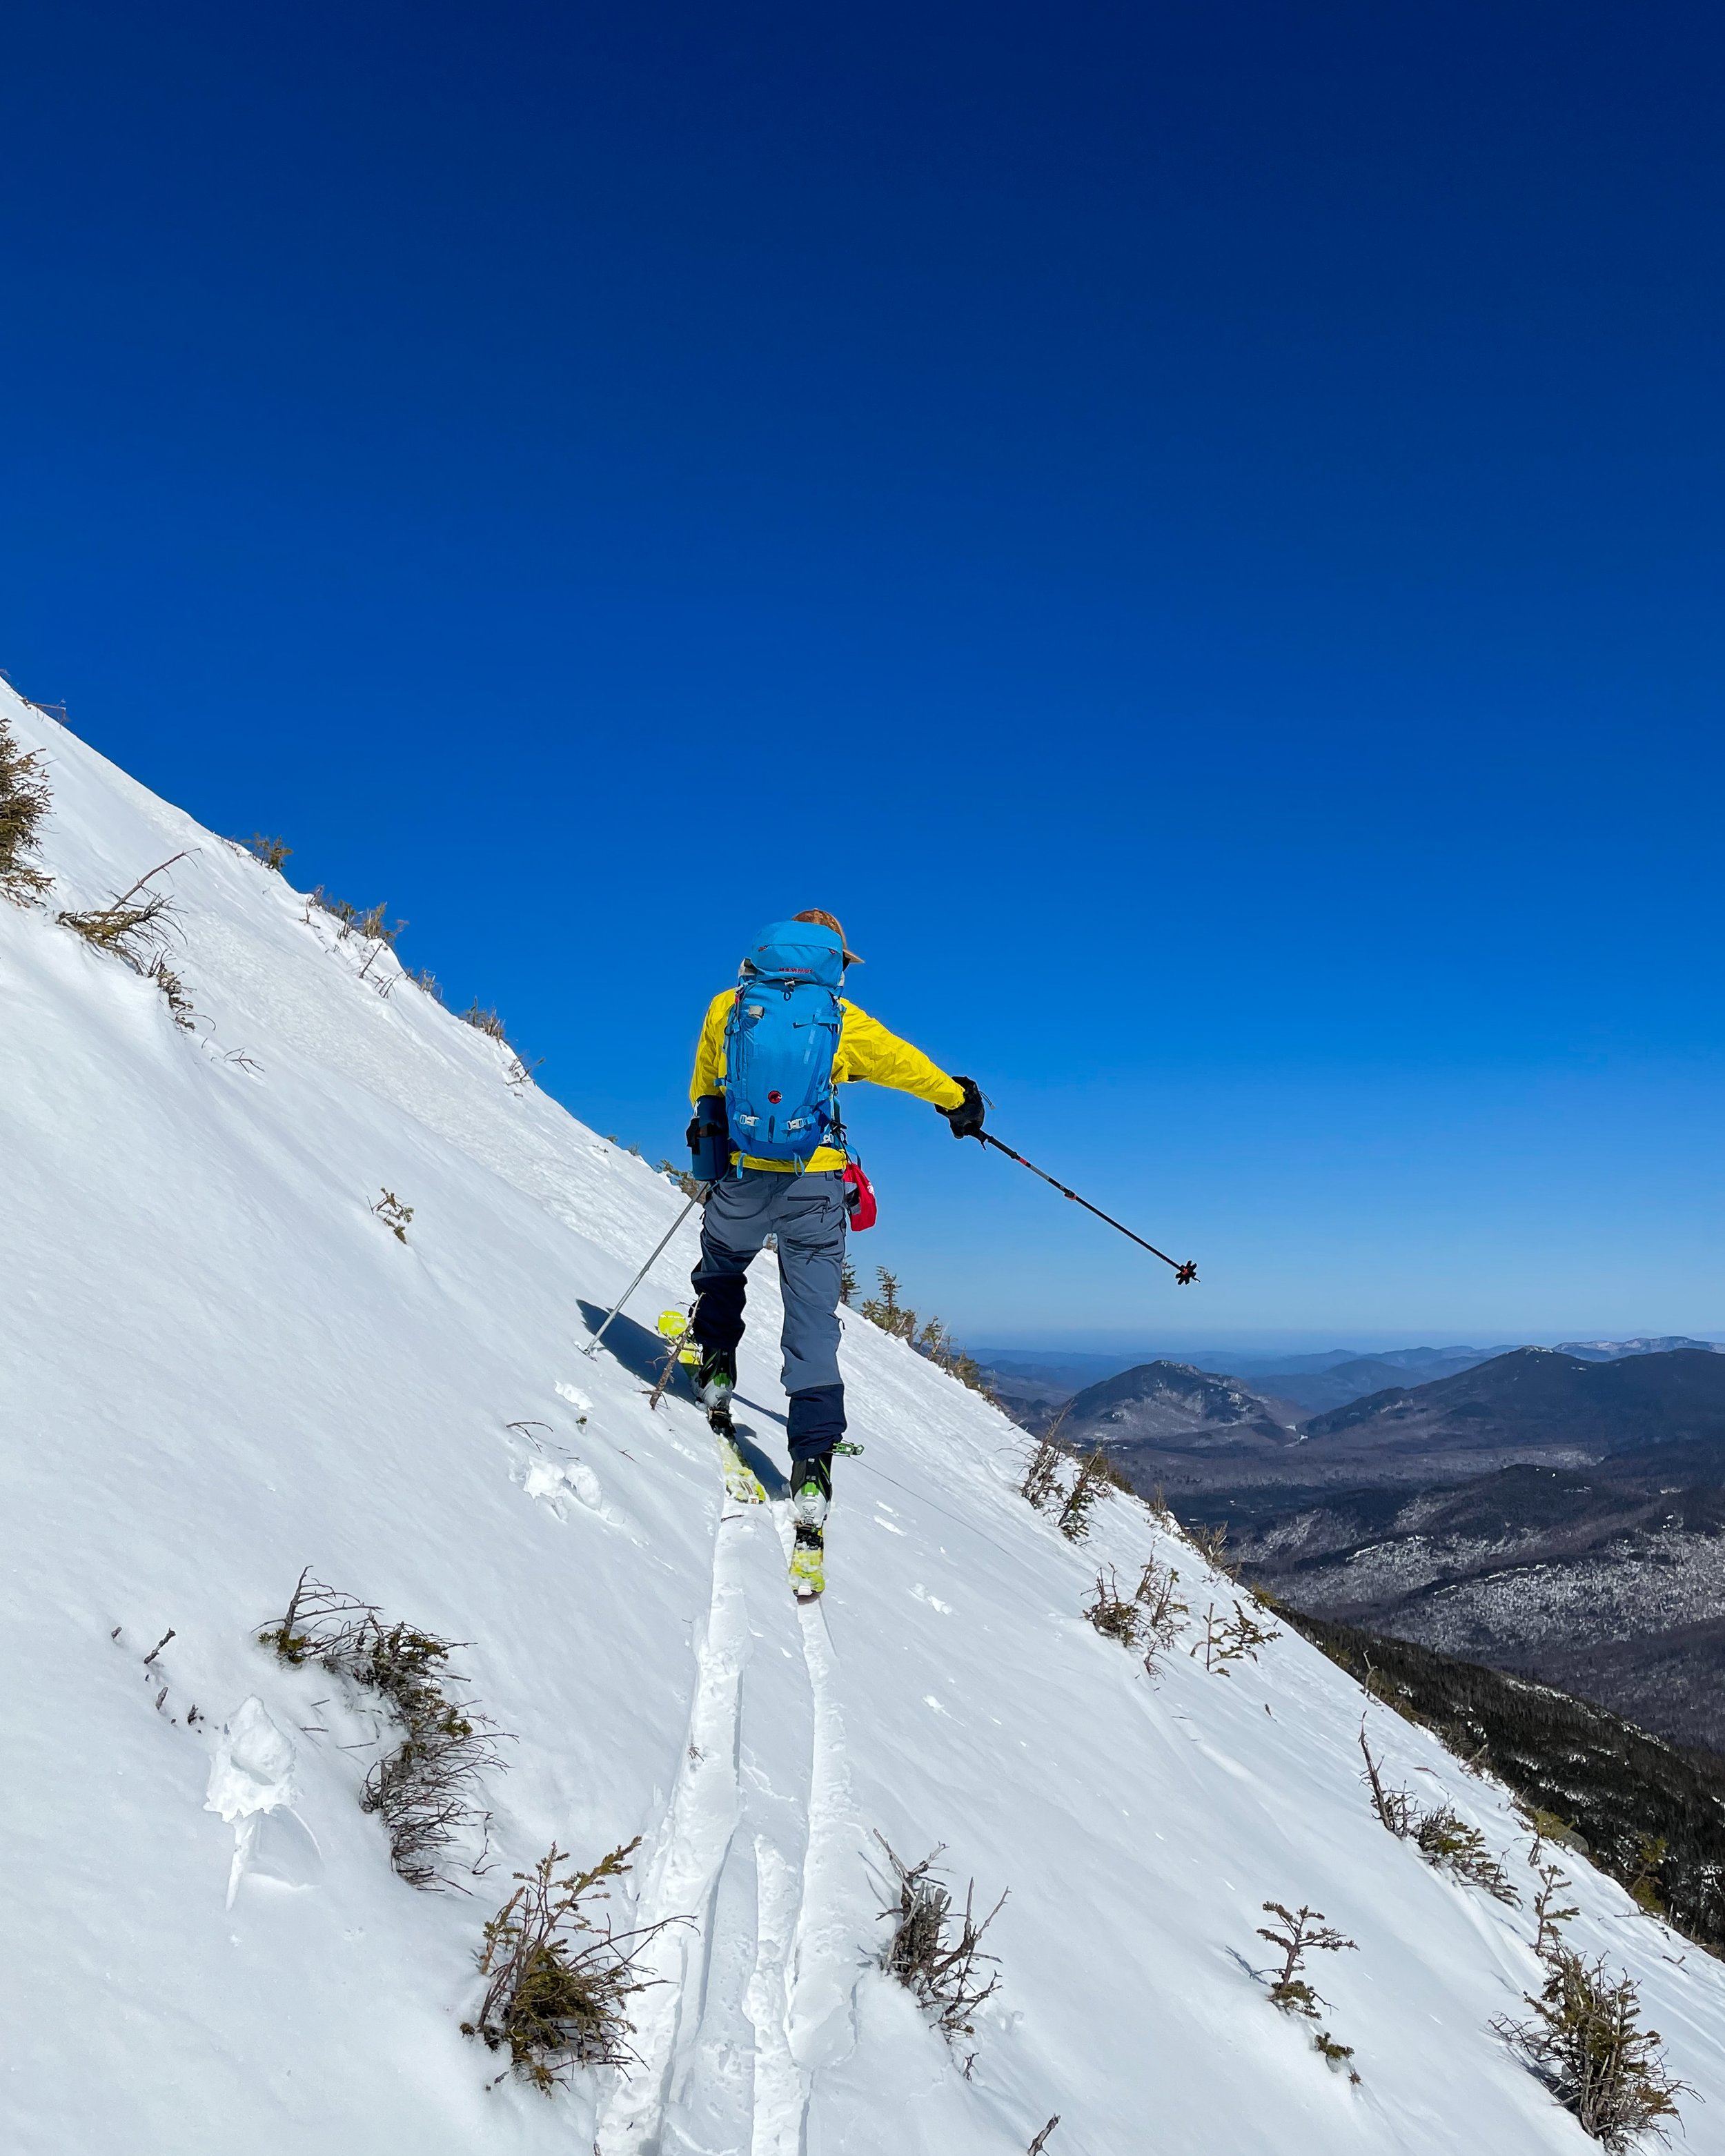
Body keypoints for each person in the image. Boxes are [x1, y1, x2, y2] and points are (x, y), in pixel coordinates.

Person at [686, 909, 984, 1548]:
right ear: (835, 960)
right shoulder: (840, 1021)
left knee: (722, 1264)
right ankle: (813, 1462)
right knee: (814, 1318)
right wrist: (956, 1099)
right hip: (815, 1185)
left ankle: (713, 1365)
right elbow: (902, 1065)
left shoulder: (726, 1007)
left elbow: (702, 1092)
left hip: (739, 1174)